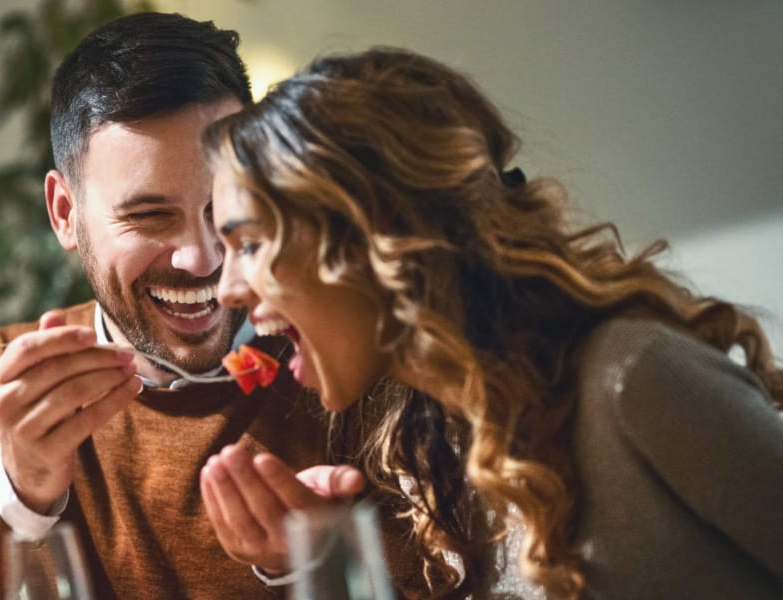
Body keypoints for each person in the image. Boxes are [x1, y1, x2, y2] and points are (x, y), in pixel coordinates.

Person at [0, 15, 431, 600]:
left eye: (225, 206)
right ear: (65, 213)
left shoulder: (343, 358)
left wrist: (320, 561)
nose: (201, 258)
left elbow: (464, 580)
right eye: (148, 216)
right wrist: (16, 484)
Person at [201, 47, 783, 599]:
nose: (226, 289)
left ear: (374, 235)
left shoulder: (631, 378)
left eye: (249, 244)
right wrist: (328, 553)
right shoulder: (442, 445)